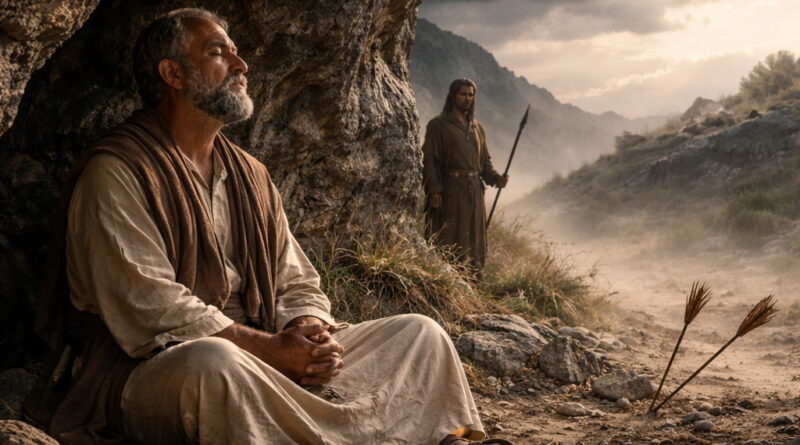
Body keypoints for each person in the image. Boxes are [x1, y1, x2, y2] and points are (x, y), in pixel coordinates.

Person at [24, 8, 513, 445]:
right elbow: (151, 309)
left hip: (265, 352)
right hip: (151, 370)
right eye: (219, 53)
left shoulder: (250, 173)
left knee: (420, 334)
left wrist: (306, 328)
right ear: (173, 73)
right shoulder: (116, 171)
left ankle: (444, 437)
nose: (242, 67)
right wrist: (271, 349)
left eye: (237, 54)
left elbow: (294, 278)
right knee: (215, 365)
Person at [422, 79, 508, 276]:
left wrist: (496, 178)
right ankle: (446, 276)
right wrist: (434, 189)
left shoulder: (478, 128)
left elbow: (484, 162)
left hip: (474, 191)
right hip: (451, 188)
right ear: (452, 96)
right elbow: (429, 159)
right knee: (450, 233)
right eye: (463, 94)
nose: (467, 98)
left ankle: (472, 277)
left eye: (471, 95)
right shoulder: (438, 125)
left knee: (473, 236)